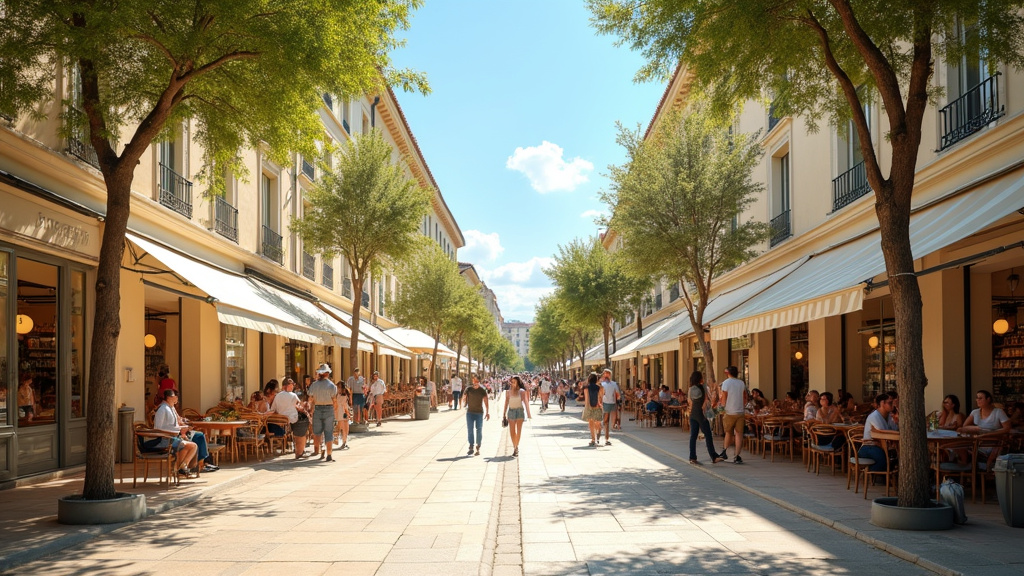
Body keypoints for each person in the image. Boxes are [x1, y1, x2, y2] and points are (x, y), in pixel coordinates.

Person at [152, 389, 210, 476]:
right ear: (169, 398)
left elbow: (175, 423)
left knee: (196, 439)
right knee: (192, 444)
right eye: (175, 396)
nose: (176, 398)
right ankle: (184, 467)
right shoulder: (163, 409)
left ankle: (186, 466)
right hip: (167, 439)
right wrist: (179, 429)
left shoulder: (170, 407)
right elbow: (157, 427)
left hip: (174, 435)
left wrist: (182, 427)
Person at [688, 371, 726, 465]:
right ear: (699, 378)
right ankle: (713, 456)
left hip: (693, 414)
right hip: (701, 414)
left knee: (693, 436)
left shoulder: (690, 389)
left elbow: (690, 402)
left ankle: (692, 457)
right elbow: (705, 402)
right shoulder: (702, 387)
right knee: (708, 435)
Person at [271, 378, 309, 459]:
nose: (292, 387)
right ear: (285, 386)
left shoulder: (277, 396)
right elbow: (299, 406)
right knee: (302, 428)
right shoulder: (293, 395)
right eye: (291, 386)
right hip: (293, 419)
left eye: (292, 386)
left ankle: (299, 450)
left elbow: (273, 409)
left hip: (282, 421)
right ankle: (300, 452)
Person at [859, 393, 898, 472]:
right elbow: (883, 433)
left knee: (896, 458)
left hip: (882, 446)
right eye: (890, 403)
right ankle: (868, 473)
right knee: (884, 460)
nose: (892, 405)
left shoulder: (889, 416)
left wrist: (897, 421)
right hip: (869, 447)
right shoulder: (874, 416)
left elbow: (895, 429)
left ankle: (887, 477)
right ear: (882, 403)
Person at [307, 364, 337, 462]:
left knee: (317, 432)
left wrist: (310, 410)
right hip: (329, 409)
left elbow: (310, 399)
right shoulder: (331, 385)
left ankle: (319, 449)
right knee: (328, 432)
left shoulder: (314, 385)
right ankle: (329, 454)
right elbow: (334, 400)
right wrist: (335, 412)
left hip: (318, 409)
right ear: (327, 374)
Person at [719, 365, 748, 464]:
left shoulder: (726, 383)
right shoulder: (741, 383)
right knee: (739, 434)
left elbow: (724, 398)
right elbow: (745, 397)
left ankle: (724, 452)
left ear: (728, 373)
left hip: (729, 411)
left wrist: (722, 406)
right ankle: (737, 455)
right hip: (740, 412)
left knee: (728, 432)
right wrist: (742, 405)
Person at [502, 375, 531, 457]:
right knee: (512, 431)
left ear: (518, 383)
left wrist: (529, 414)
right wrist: (503, 414)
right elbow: (506, 403)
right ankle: (514, 445)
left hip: (519, 411)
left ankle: (516, 447)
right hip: (511, 411)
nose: (512, 383)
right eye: (512, 382)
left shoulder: (521, 391)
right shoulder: (508, 392)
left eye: (514, 382)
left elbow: (526, 402)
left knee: (518, 431)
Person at [463, 374, 490, 456]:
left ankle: (478, 445)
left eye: (477, 381)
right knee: (470, 429)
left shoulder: (482, 390)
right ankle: (471, 445)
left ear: (479, 382)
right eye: (474, 381)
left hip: (479, 413)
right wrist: (463, 402)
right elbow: (464, 397)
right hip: (470, 412)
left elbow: (486, 401)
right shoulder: (468, 389)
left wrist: (487, 412)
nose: (475, 383)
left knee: (479, 429)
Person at [599, 368, 621, 446]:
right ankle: (606, 438)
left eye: (608, 373)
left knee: (611, 421)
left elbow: (618, 395)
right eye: (605, 373)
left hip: (612, 403)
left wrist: (618, 402)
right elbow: (599, 395)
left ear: (610, 375)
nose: (606, 375)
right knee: (606, 421)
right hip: (605, 403)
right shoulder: (601, 384)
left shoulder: (614, 384)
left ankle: (606, 433)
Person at [581, 373, 604, 446]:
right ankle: (599, 430)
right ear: (596, 380)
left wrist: (587, 408)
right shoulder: (599, 387)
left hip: (589, 407)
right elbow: (601, 398)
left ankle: (593, 439)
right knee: (597, 422)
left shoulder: (586, 388)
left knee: (591, 424)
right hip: (597, 406)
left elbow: (587, 399)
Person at [334, 380, 351, 449]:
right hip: (338, 412)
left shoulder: (344, 395)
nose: (338, 389)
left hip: (343, 412)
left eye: (339, 387)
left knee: (344, 428)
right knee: (340, 427)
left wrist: (347, 413)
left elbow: (344, 405)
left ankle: (344, 441)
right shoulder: (337, 395)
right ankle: (341, 440)